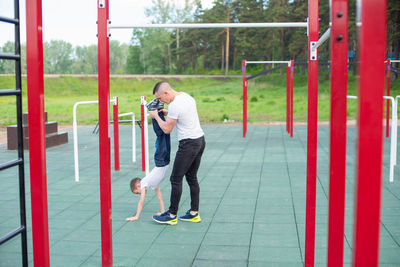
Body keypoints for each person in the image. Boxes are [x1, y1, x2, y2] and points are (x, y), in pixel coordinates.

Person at [149, 81, 206, 225]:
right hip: (200, 141)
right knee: (191, 177)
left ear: (166, 93)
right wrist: (168, 114)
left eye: (161, 99)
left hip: (188, 145)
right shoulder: (186, 97)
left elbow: (167, 129)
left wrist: (155, 116)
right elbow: (183, 115)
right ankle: (194, 213)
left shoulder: (174, 105)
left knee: (175, 179)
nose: (162, 102)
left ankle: (172, 215)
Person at [126, 98, 171, 221]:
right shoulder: (152, 184)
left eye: (137, 192)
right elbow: (160, 197)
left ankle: (152, 109)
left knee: (161, 135)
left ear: (137, 185)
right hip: (165, 161)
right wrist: (162, 212)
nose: (140, 193)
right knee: (166, 133)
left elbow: (142, 202)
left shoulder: (144, 184)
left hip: (160, 160)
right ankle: (158, 109)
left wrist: (136, 216)